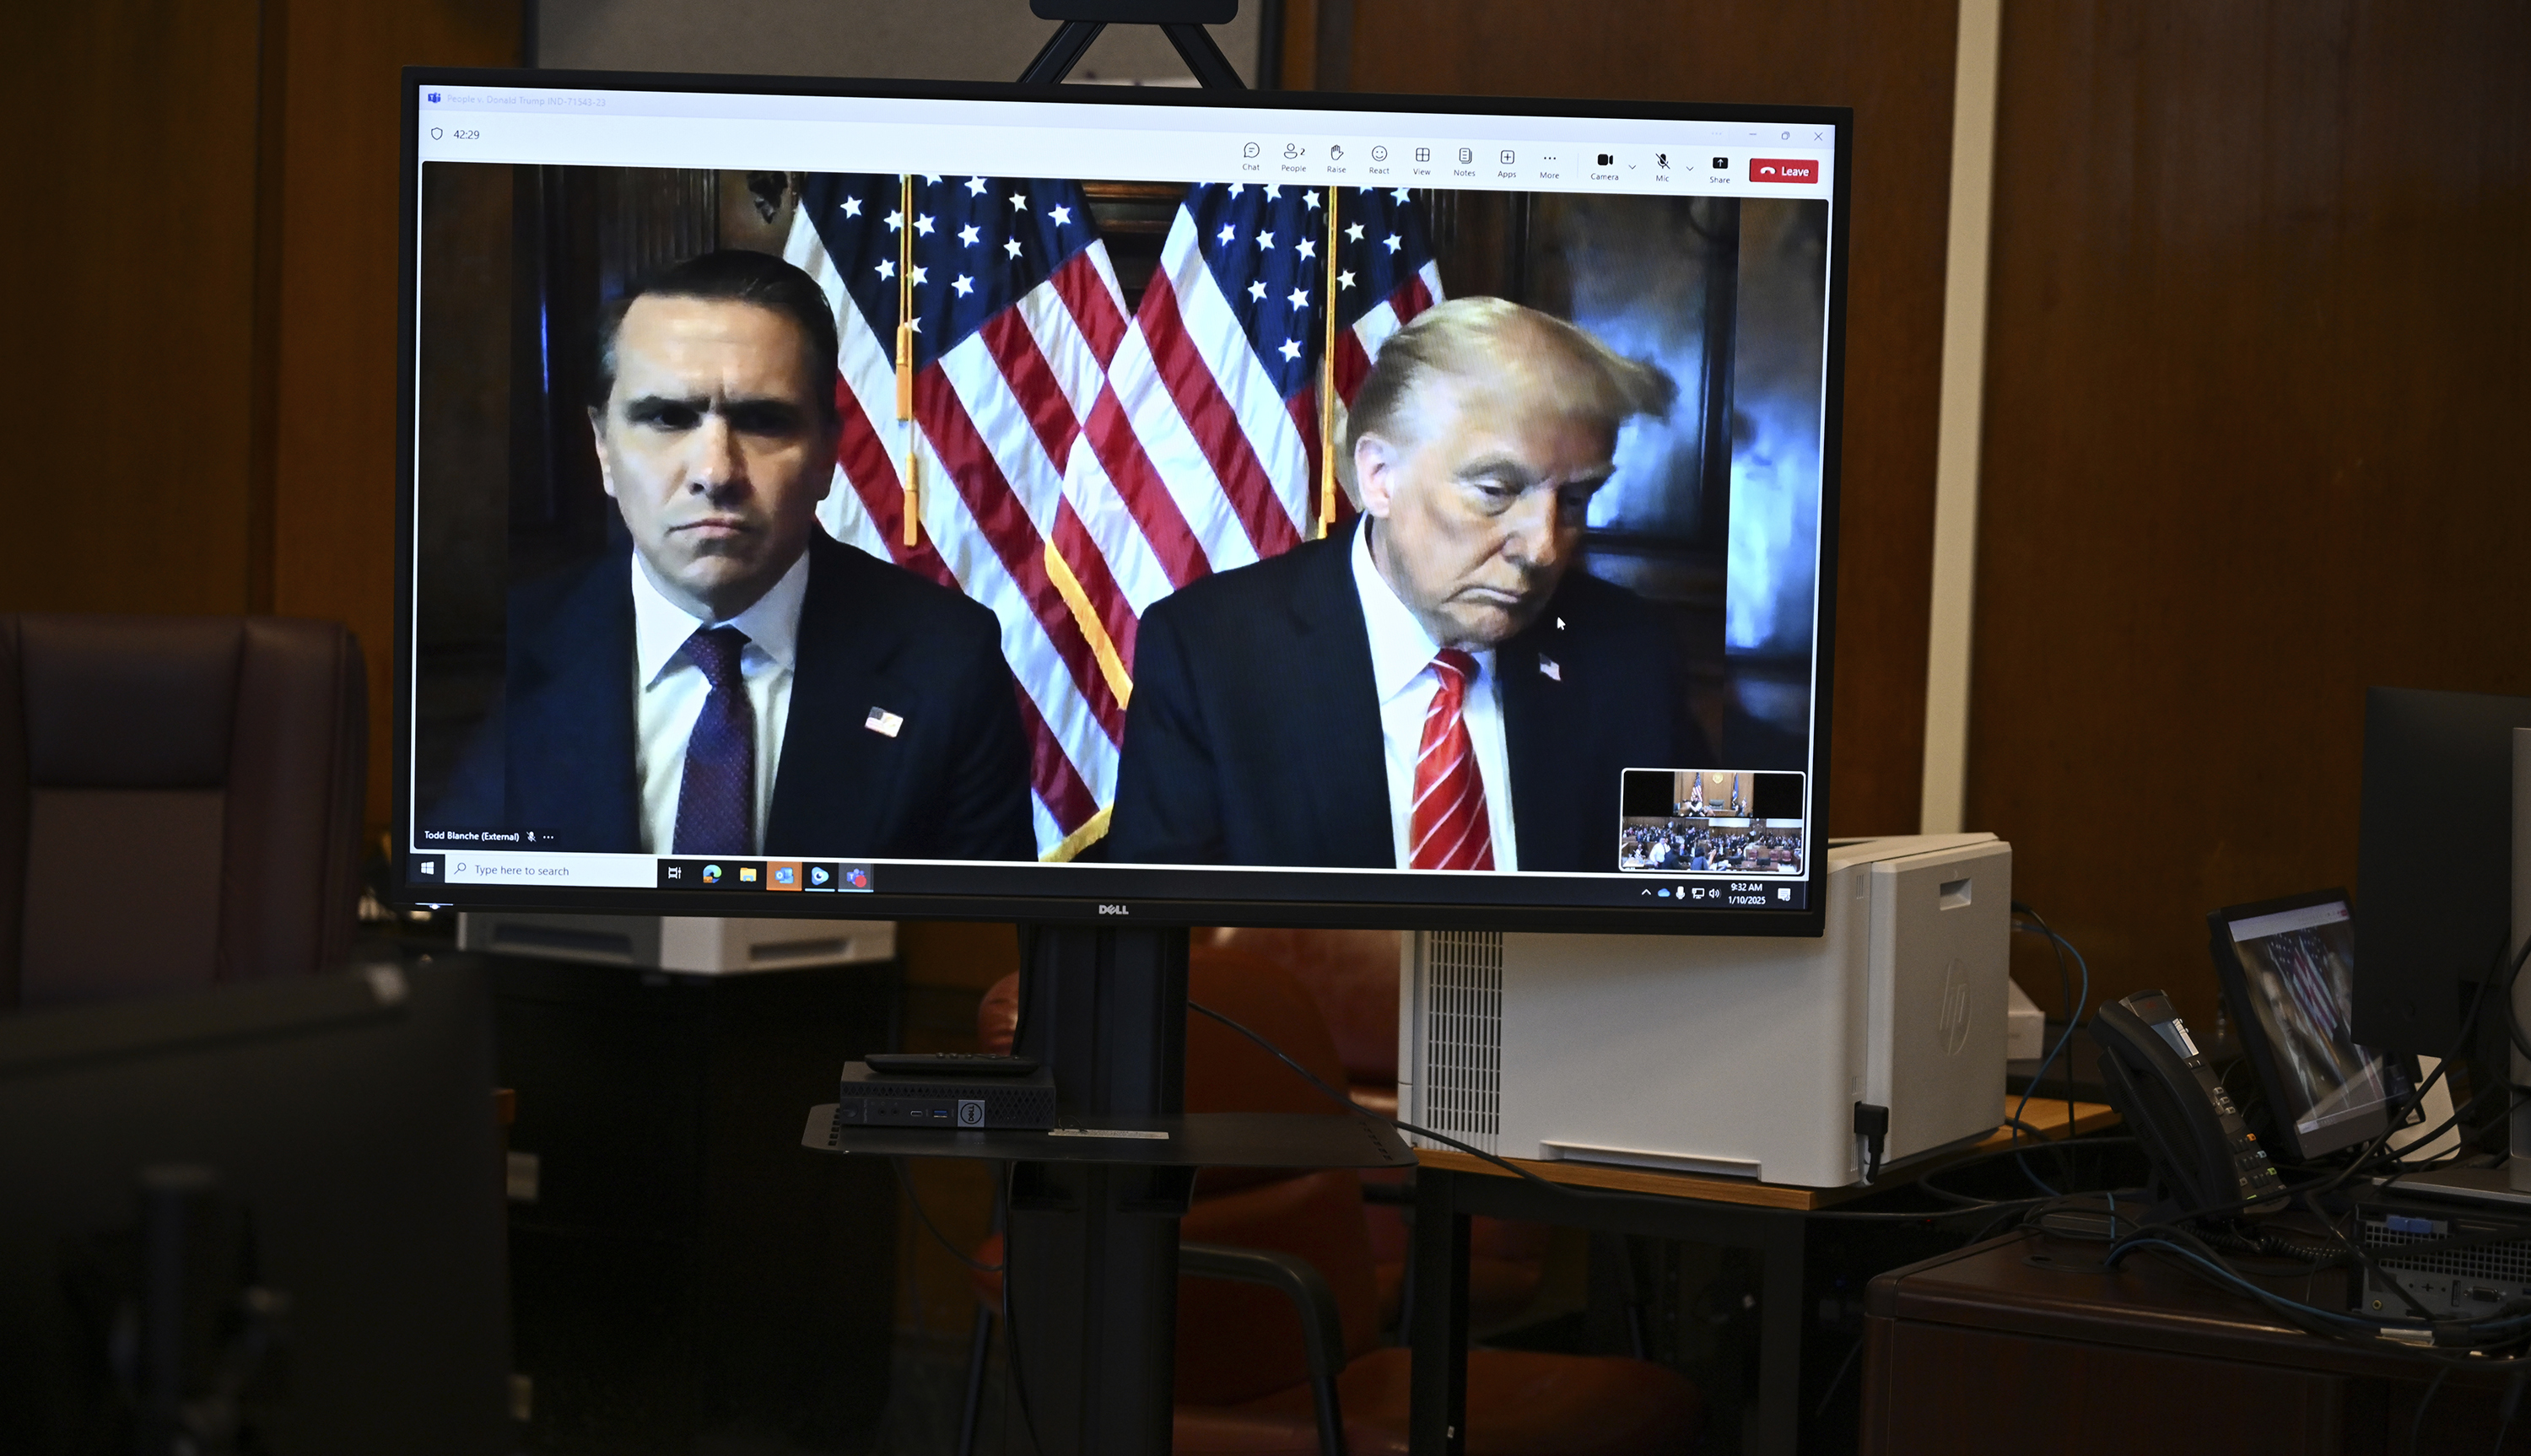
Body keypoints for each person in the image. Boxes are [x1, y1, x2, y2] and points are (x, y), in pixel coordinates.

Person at [434, 250, 1034, 860]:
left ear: (828, 454)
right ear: (604, 450)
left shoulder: (948, 662)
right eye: (668, 417)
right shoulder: (511, 646)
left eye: (762, 421)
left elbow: (976, 945)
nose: (716, 472)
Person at [1105, 295, 1706, 871]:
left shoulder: (1629, 651)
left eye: (1574, 499)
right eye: (1496, 491)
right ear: (1379, 477)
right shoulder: (1210, 655)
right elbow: (1165, 943)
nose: (1544, 547)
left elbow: (1723, 894)